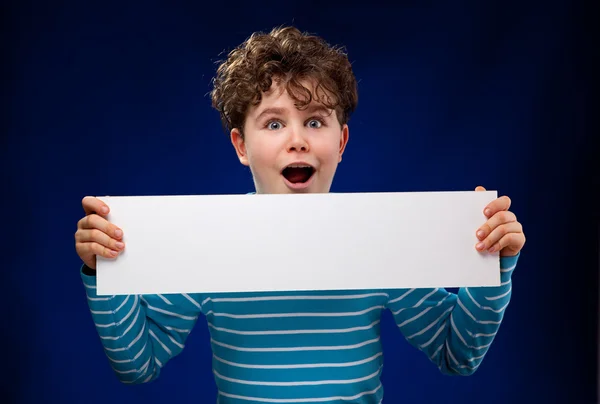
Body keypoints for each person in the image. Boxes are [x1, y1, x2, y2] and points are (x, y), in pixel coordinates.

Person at [75, 26, 526, 403]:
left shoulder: (380, 239)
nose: (298, 140)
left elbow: (456, 352)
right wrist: (102, 271)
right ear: (241, 147)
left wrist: (494, 262)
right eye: (274, 123)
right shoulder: (209, 242)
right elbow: (139, 363)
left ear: (341, 142)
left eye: (314, 121)